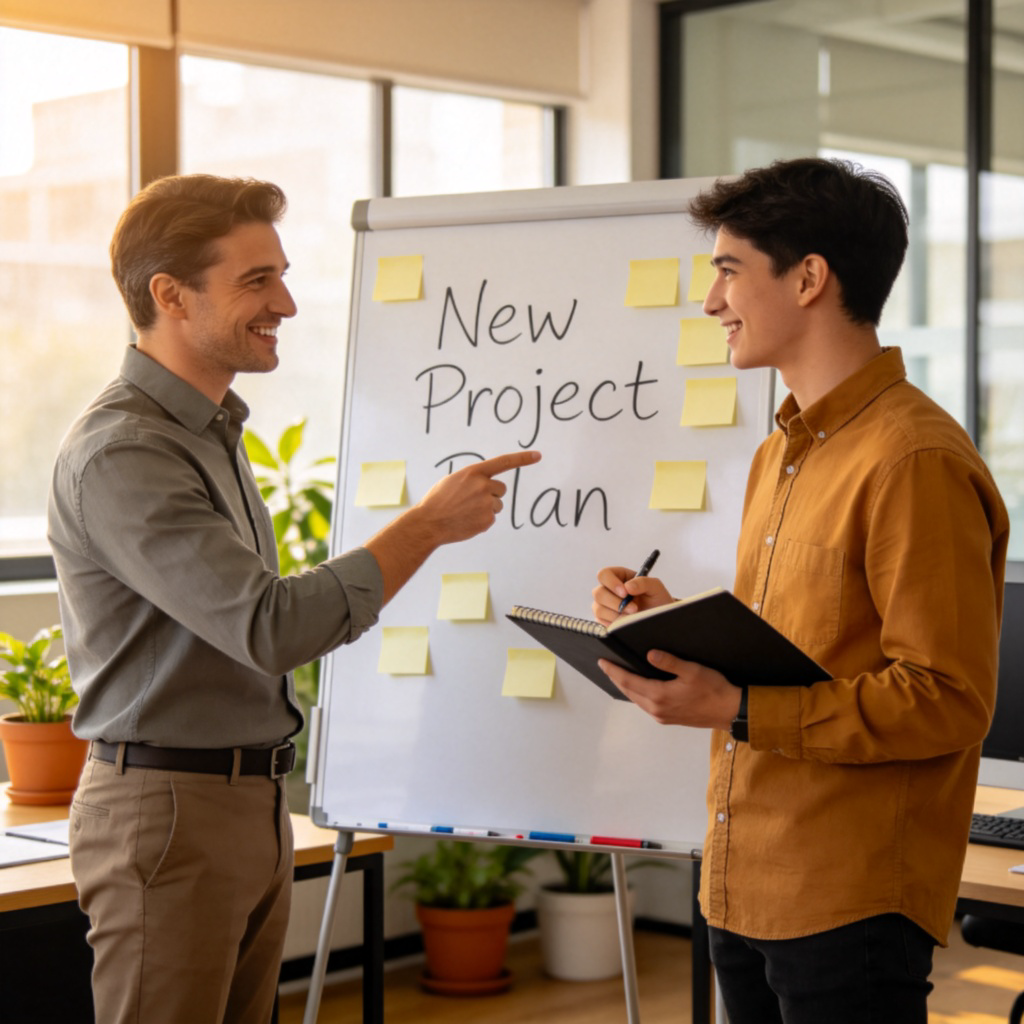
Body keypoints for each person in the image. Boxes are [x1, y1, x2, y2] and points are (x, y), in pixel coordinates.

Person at [47, 173, 541, 1024]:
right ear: (170, 295)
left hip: (246, 803)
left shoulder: (210, 434)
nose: (287, 303)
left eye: (281, 275)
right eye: (257, 280)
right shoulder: (127, 452)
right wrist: (425, 526)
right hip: (171, 812)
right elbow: (270, 625)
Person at [592, 158, 1008, 1024]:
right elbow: (802, 648)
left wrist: (736, 707)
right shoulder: (779, 452)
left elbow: (947, 698)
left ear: (810, 278)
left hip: (848, 896)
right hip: (744, 877)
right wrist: (672, 623)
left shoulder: (914, 459)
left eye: (729, 270)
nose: (711, 301)